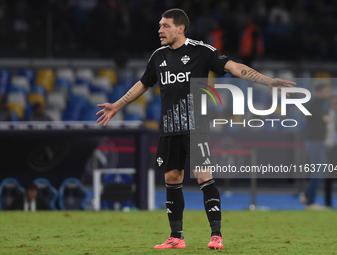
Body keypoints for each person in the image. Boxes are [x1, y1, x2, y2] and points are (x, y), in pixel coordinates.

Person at [96, 8, 295, 250]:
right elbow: (144, 83)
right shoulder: (158, 56)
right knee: (172, 177)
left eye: (165, 26)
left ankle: (216, 235)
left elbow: (233, 67)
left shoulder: (201, 51)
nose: (160, 30)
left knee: (203, 175)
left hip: (195, 126)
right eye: (159, 26)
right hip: (169, 127)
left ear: (180, 28)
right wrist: (116, 106)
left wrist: (268, 80)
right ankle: (176, 237)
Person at [300, 84, 330, 210]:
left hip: (317, 142)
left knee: (321, 170)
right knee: (318, 170)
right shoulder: (314, 104)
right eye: (326, 90)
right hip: (314, 142)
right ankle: (309, 200)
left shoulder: (322, 104)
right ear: (320, 91)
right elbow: (326, 119)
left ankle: (308, 196)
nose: (327, 93)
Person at [324, 95, 337, 207]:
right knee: (329, 176)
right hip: (329, 148)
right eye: (333, 103)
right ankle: (328, 203)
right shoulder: (325, 115)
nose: (335, 105)